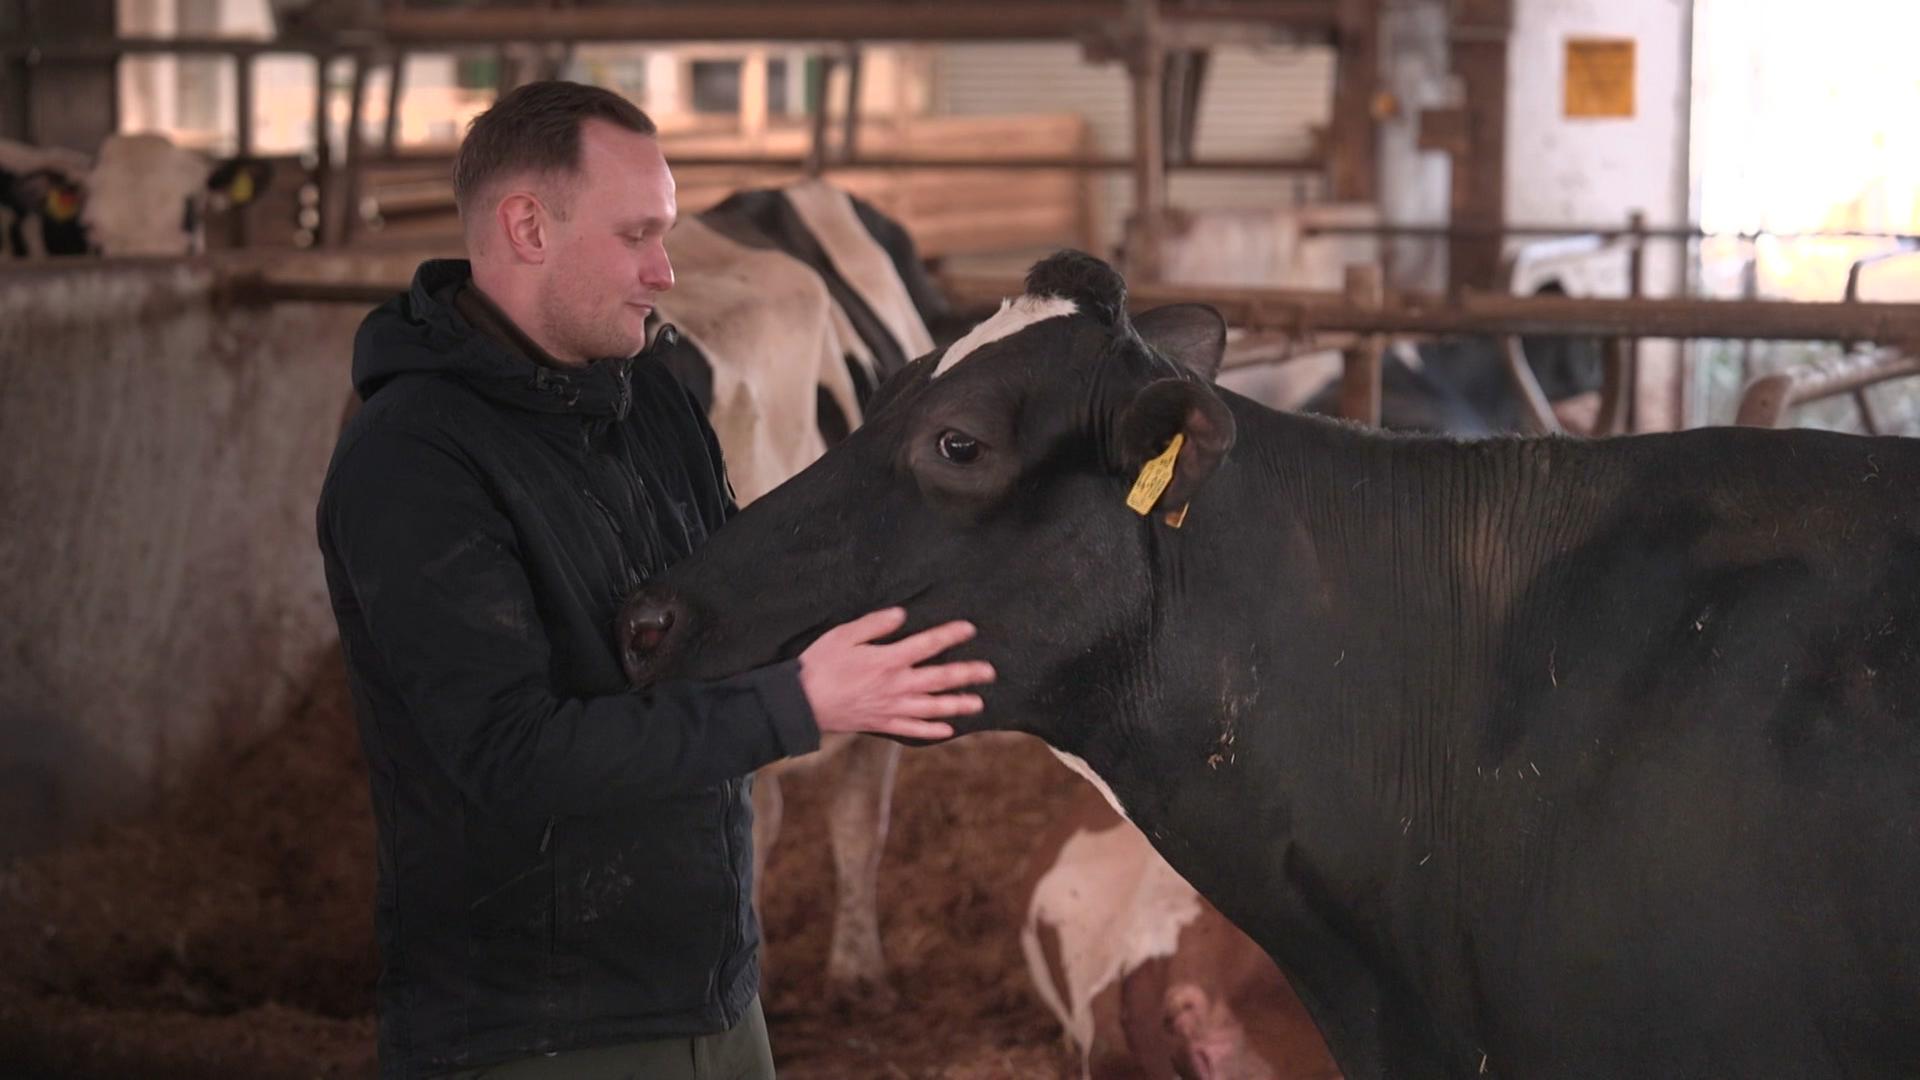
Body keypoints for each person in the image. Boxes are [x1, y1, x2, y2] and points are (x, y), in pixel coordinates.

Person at [316, 80, 995, 1080]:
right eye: (638, 234)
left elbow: (726, 627)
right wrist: (799, 703)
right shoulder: (414, 461)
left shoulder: (655, 410)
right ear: (526, 226)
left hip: (715, 995)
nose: (667, 271)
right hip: (534, 1032)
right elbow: (511, 756)